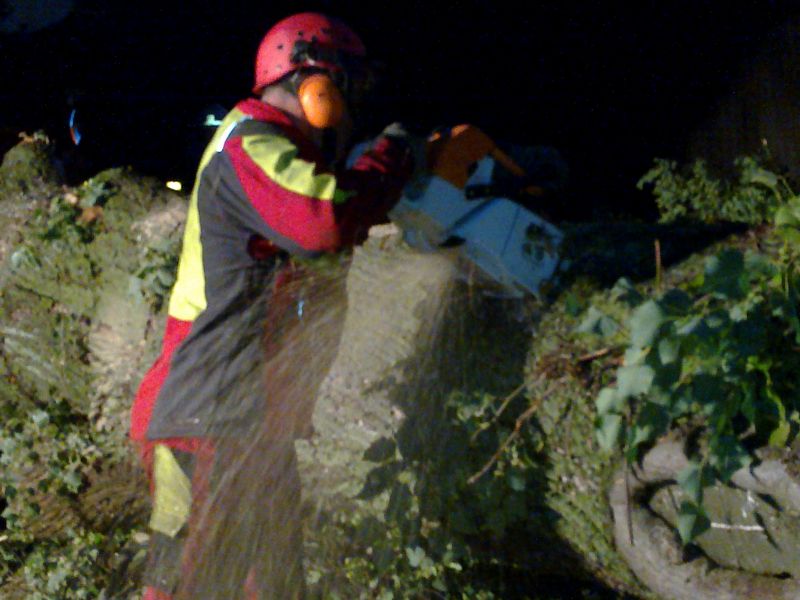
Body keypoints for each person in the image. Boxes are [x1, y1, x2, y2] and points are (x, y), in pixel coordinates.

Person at [129, 12, 414, 599]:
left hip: (252, 419)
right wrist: (390, 161)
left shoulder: (282, 156)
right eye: (346, 88)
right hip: (207, 413)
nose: (351, 109)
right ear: (315, 84)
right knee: (193, 586)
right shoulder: (250, 143)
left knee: (275, 584)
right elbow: (324, 219)